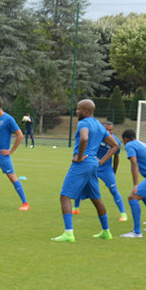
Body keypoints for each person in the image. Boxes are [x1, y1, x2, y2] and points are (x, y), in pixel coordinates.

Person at [52, 99, 119, 242]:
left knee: (65, 196)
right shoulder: (100, 126)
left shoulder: (83, 123)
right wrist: (101, 161)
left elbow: (84, 138)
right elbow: (115, 145)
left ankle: (68, 233)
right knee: (96, 199)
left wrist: (80, 156)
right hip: (94, 163)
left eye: (78, 109)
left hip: (82, 163)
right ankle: (106, 232)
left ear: (86, 111)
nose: (76, 111)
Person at [72, 121, 128, 221]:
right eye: (106, 129)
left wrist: (114, 172)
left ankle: (123, 214)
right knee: (81, 184)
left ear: (113, 130)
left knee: (114, 190)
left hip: (106, 169)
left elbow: (116, 158)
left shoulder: (115, 142)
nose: (108, 131)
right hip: (93, 166)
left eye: (110, 130)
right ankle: (76, 208)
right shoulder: (95, 138)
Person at [0, 96, 30, 211]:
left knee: (12, 177)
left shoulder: (8, 119)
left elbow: (20, 135)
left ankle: (25, 203)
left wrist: (11, 151)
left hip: (2, 154)